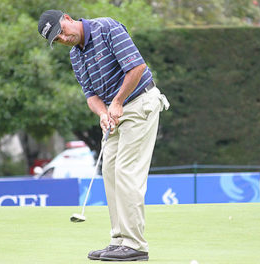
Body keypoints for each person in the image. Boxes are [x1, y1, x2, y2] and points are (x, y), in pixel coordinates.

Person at [38, 10, 169, 261]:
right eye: (57, 40)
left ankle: (135, 245)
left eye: (61, 32)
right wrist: (102, 113)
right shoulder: (75, 56)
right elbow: (91, 95)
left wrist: (117, 102)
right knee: (109, 170)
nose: (63, 39)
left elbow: (137, 67)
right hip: (114, 112)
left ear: (67, 18)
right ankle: (118, 239)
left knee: (126, 171)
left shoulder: (106, 28)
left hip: (141, 103)